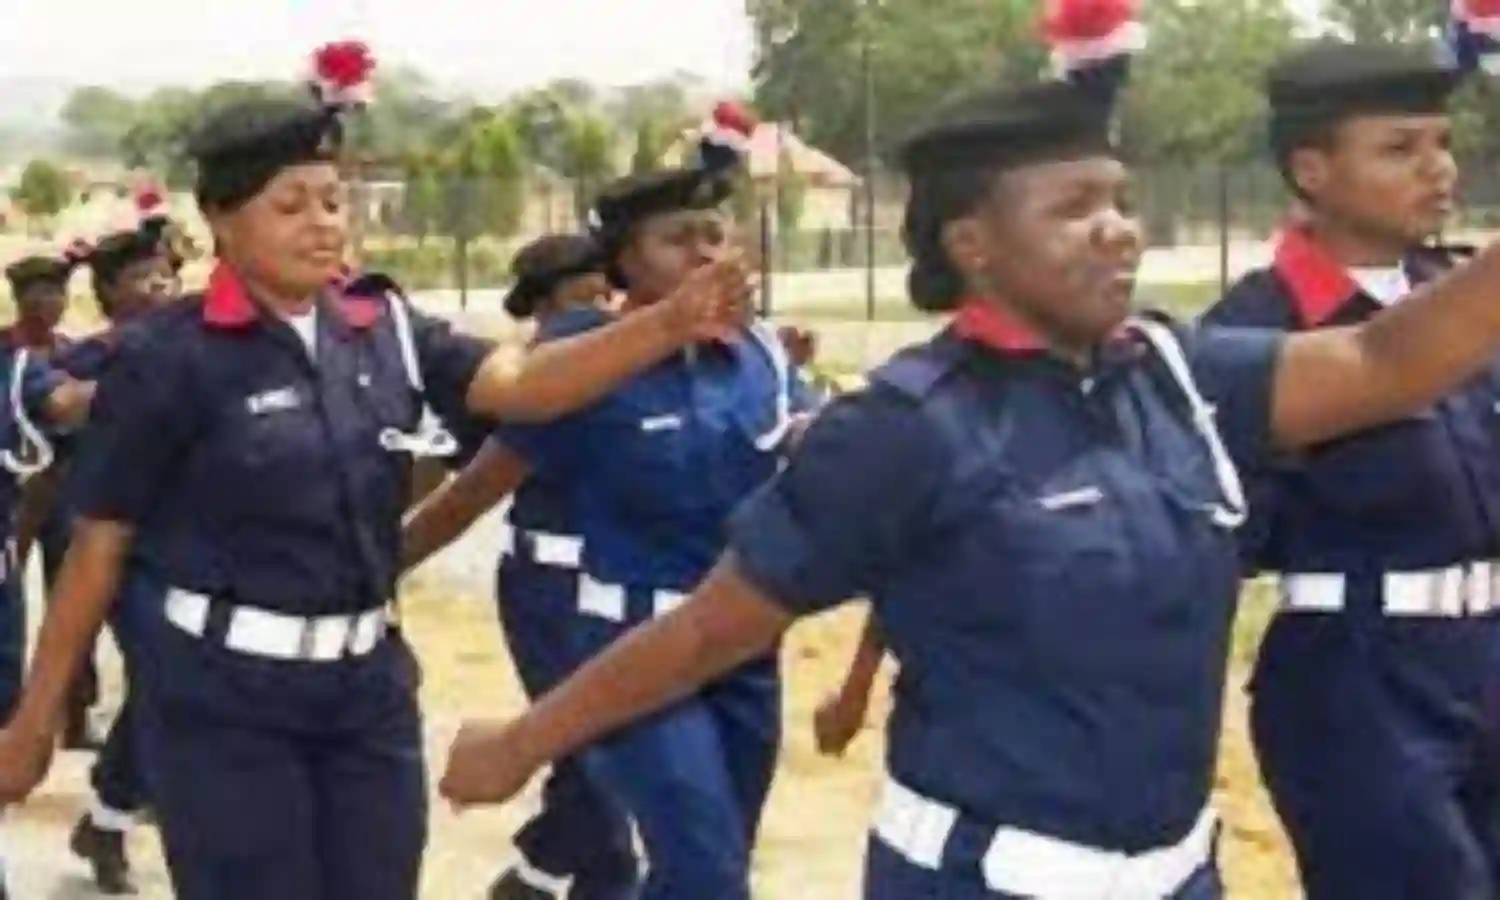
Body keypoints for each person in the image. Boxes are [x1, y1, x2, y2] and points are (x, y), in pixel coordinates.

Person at [435, 26, 1500, 900]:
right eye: (1074, 209)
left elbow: (1387, 356)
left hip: (1181, 878)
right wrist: (527, 739)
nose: (1119, 232)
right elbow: (712, 629)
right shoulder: (906, 427)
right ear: (973, 246)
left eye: (1122, 201)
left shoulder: (1184, 375)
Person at [0, 51, 751, 900]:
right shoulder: (169, 359)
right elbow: (101, 545)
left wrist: (662, 327)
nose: (323, 224)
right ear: (221, 219)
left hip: (366, 698)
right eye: (290, 206)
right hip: (223, 707)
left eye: (333, 201)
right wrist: (34, 718)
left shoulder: (381, 324)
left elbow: (519, 384)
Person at [409, 111, 812, 900]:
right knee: (704, 870)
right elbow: (476, 484)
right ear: (624, 264)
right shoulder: (587, 369)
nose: (705, 253)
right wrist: (375, 567)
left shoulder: (761, 354)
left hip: (742, 648)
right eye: (678, 239)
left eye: (713, 233)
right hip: (628, 642)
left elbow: (800, 455)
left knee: (718, 860)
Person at [1199, 41, 1500, 899]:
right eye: (1400, 149)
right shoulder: (1258, 334)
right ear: (1312, 169)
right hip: (1358, 683)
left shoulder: (1463, 300)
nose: (1438, 170)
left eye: (1443, 144)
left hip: (1484, 657)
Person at [404, 233, 639, 900]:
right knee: (594, 756)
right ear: (540, 306)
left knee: (604, 753)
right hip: (549, 592)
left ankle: (541, 876)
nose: (600, 304)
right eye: (581, 293)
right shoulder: (527, 381)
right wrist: (377, 567)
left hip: (618, 587)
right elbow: (464, 491)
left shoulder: (626, 363)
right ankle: (548, 880)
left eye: (605, 289)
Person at [54, 220, 180, 894]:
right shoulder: (93, 358)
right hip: (113, 545)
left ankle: (109, 812)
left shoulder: (199, 348)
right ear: (108, 293)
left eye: (166, 274)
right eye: (141, 277)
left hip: (186, 539)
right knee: (163, 676)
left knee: (175, 680)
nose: (160, 285)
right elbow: (61, 413)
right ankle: (111, 814)